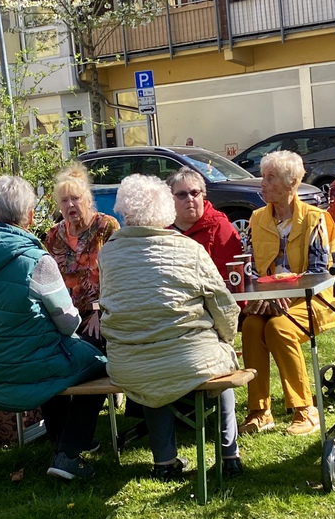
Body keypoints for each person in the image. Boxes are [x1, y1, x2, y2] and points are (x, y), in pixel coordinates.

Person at [0, 175, 107, 480]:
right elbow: (69, 324)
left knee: (49, 352)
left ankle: (60, 436)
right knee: (100, 362)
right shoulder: (38, 259)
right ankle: (68, 452)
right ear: (28, 217)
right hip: (25, 368)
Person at [98, 174, 243, 480]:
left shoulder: (108, 252)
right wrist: (226, 337)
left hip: (129, 362)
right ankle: (230, 454)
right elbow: (223, 303)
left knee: (151, 372)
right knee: (223, 366)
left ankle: (164, 462)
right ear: (166, 208)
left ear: (124, 211)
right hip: (190, 357)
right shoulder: (188, 249)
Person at [239, 150, 335, 436]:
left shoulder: (316, 219)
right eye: (263, 177)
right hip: (271, 300)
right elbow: (249, 268)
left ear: (292, 183)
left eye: (270, 178)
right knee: (250, 326)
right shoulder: (256, 219)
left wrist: (282, 295)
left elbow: (319, 272)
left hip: (316, 299)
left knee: (279, 328)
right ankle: (260, 411)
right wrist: (262, 299)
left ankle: (305, 410)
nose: (262, 184)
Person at [45, 162, 119, 352]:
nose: (70, 204)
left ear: (87, 200)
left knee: (85, 348)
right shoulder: (54, 235)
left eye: (75, 198)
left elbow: (117, 277)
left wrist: (99, 313)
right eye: (64, 200)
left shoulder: (106, 227)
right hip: (64, 317)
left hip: (100, 314)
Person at [166, 167, 243, 282]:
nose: (190, 199)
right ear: (170, 199)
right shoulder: (162, 229)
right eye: (182, 195)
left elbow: (231, 275)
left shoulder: (219, 225)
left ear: (203, 195)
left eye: (194, 193)